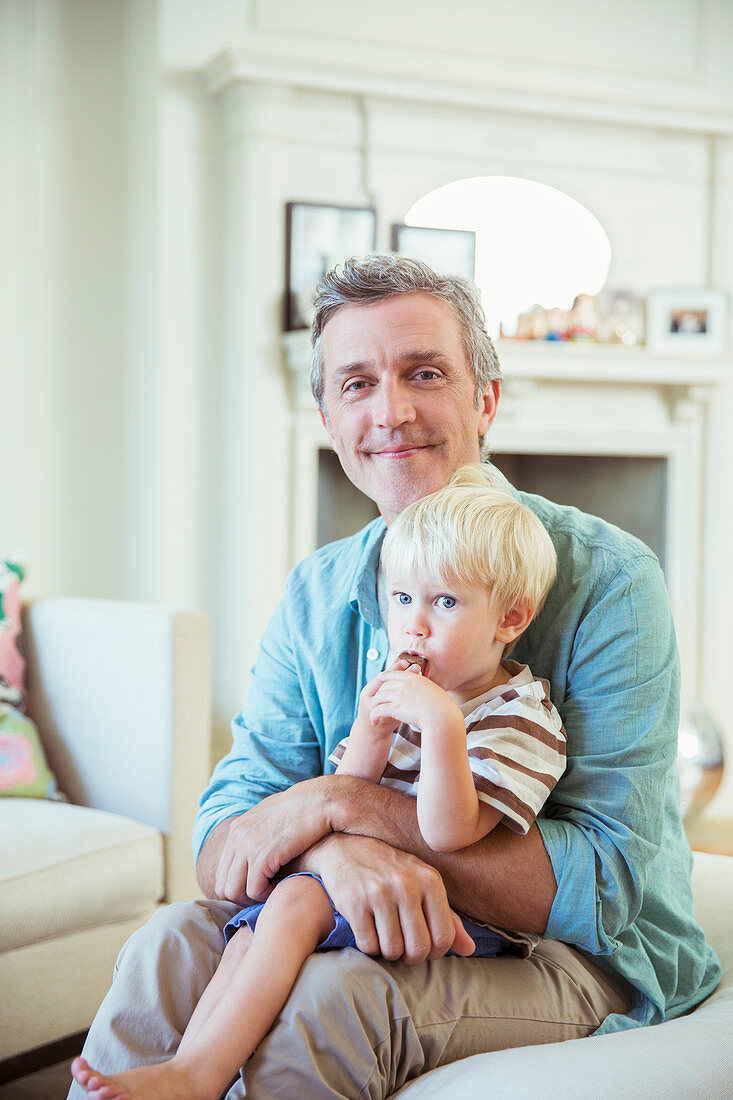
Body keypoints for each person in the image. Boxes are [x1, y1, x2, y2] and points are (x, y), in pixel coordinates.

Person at [68, 256, 720, 1100]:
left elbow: (601, 891)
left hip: (578, 957)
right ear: (329, 418)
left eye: (423, 373)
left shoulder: (606, 579)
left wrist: (344, 806)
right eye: (355, 385)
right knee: (164, 948)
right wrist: (337, 853)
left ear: (484, 400)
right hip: (359, 913)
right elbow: (225, 837)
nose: (391, 412)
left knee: (331, 1000)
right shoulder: (316, 592)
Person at [71, 466, 566, 1100]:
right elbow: (345, 793)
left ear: (510, 619)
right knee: (246, 932)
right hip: (373, 888)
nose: (415, 624)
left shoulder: (518, 715)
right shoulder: (413, 693)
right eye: (403, 599)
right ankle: (189, 1067)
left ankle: (200, 1074)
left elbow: (449, 831)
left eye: (445, 602)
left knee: (296, 903)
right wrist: (372, 725)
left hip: (461, 913)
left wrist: (440, 725)